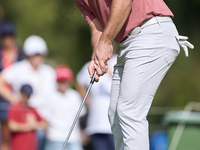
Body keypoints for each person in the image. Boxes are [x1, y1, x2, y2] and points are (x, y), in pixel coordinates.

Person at [74, 0, 194, 150]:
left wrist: (105, 42)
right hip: (129, 44)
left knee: (129, 110)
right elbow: (97, 30)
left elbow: (123, 2)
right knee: (115, 113)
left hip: (151, 30)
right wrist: (97, 57)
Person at [0, 35, 56, 150]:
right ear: (28, 55)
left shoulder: (49, 72)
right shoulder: (18, 68)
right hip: (25, 121)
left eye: (40, 55)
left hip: (47, 121)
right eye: (35, 55)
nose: (38, 58)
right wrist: (14, 99)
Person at [76, 54, 117, 150]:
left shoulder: (116, 61)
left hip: (114, 125)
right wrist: (87, 99)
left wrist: (110, 72)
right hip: (95, 125)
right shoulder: (92, 65)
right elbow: (79, 81)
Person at [45, 65, 86, 150]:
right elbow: (46, 118)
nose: (63, 84)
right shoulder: (50, 96)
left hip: (74, 137)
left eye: (65, 81)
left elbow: (79, 117)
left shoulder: (75, 96)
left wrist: (82, 132)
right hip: (55, 136)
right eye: (61, 81)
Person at [0, 22, 23, 150]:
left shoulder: (21, 54)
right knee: (5, 136)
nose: (7, 39)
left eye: (10, 36)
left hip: (18, 97)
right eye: (4, 36)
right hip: (3, 99)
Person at [7, 84, 47, 150]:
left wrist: (34, 125)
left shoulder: (32, 109)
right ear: (20, 93)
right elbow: (12, 126)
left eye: (28, 95)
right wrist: (29, 126)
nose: (26, 97)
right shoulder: (14, 107)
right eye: (25, 94)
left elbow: (45, 124)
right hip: (17, 147)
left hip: (31, 147)